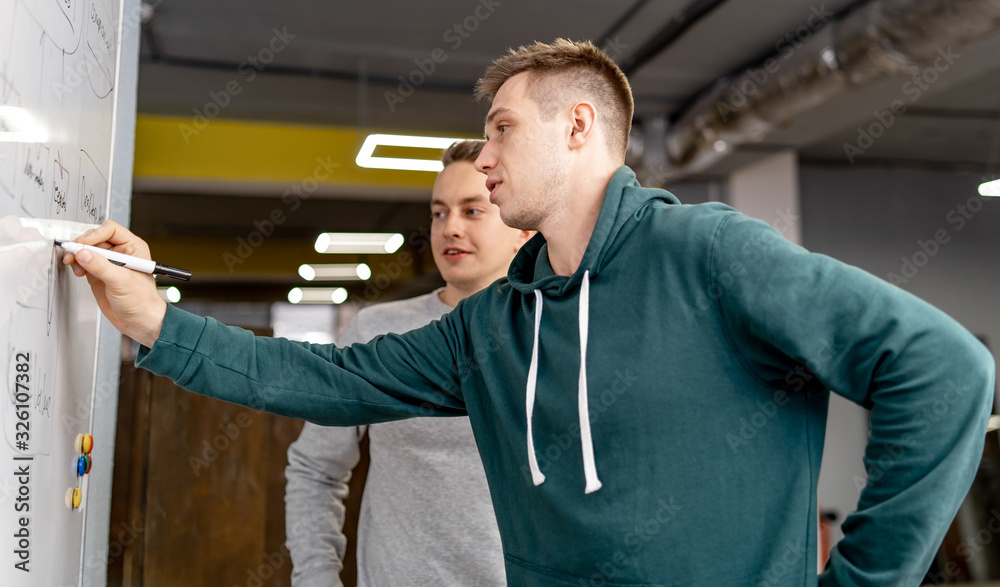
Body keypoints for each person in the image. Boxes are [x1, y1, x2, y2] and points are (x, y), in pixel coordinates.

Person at [64, 39, 994, 586]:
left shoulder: (709, 255)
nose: (486, 155)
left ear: (579, 127)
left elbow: (945, 371)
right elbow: (326, 377)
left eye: (504, 127)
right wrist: (154, 319)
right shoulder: (493, 325)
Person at [285, 140, 529, 587]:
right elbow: (314, 468)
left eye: (472, 211)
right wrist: (316, 577)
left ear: (523, 229)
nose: (449, 227)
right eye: (439, 213)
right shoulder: (377, 331)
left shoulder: (551, 334)